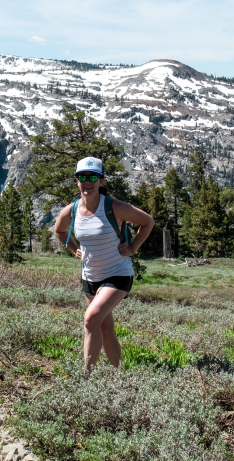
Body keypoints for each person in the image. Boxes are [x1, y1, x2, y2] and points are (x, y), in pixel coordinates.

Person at [54, 157, 154, 370]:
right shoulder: (71, 210)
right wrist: (73, 249)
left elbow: (147, 222)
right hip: (90, 278)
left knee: (90, 320)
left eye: (93, 177)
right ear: (76, 181)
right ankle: (118, 375)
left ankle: (87, 378)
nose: (87, 181)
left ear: (101, 180)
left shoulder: (114, 207)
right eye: (82, 177)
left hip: (117, 274)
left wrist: (133, 248)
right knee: (105, 328)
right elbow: (60, 231)